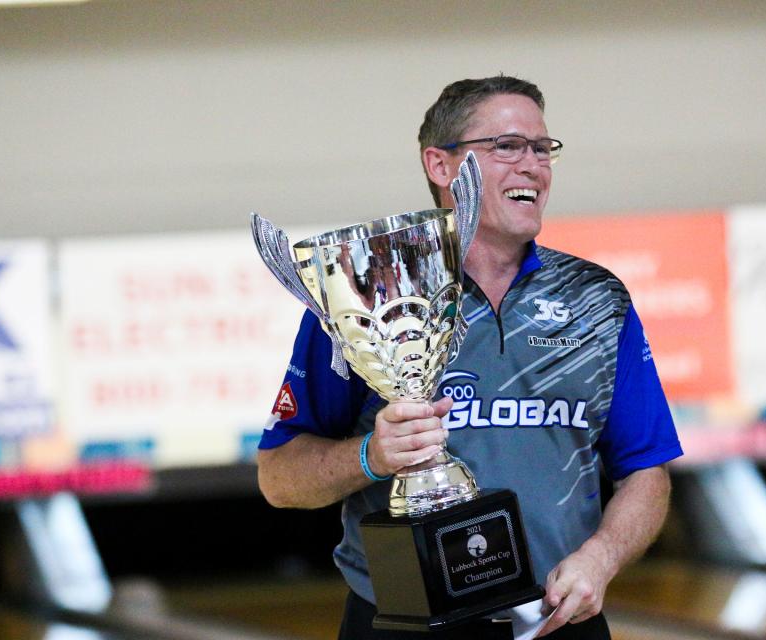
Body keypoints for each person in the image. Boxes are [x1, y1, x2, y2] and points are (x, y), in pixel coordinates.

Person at [257, 75, 683, 639]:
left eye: (542, 148)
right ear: (440, 165)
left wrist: (601, 558)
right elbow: (278, 477)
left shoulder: (597, 299)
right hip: (401, 625)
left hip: (559, 622)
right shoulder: (367, 296)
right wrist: (371, 456)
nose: (532, 164)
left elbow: (646, 471)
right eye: (507, 146)